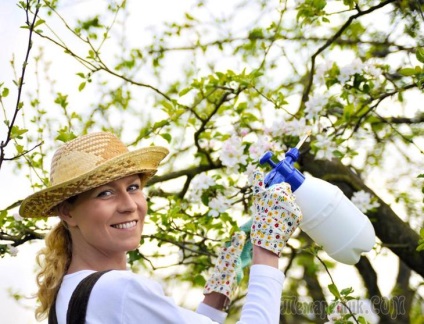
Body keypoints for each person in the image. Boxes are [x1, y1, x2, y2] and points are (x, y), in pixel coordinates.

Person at [19, 131, 302, 324]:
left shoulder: (69, 293)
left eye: (133, 187)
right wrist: (268, 246)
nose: (129, 204)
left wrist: (218, 291)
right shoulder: (119, 290)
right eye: (105, 193)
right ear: (68, 211)